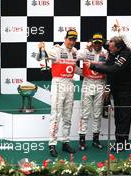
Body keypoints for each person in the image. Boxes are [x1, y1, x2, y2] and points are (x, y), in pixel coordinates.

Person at [86, 36, 131, 153]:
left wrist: (93, 65)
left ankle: (122, 143)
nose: (108, 48)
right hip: (116, 88)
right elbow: (101, 44)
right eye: (108, 46)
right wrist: (108, 89)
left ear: (118, 47)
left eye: (111, 47)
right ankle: (121, 141)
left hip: (127, 89)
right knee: (118, 115)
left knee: (124, 115)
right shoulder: (113, 50)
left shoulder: (126, 54)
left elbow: (113, 69)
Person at [38, 29, 79, 157]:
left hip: (70, 85)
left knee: (67, 116)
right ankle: (52, 144)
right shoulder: (56, 50)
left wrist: (88, 74)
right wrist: (41, 49)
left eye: (74, 39)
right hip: (58, 84)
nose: (71, 42)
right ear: (65, 39)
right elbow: (40, 57)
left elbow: (75, 68)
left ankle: (65, 142)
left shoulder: (75, 52)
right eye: (70, 39)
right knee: (56, 115)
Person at [77, 33, 108, 151]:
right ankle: (82, 140)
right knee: (84, 114)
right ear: (92, 42)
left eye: (99, 42)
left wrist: (107, 89)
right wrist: (86, 47)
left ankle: (96, 139)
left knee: (97, 114)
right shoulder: (86, 51)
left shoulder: (106, 53)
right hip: (88, 83)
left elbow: (108, 72)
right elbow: (77, 56)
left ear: (102, 43)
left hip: (100, 83)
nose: (97, 44)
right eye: (95, 42)